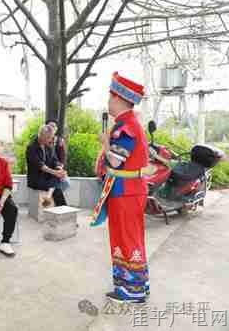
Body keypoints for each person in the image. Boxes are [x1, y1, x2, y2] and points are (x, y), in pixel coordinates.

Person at [91, 72, 150, 304]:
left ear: (119, 99)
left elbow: (115, 161)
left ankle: (130, 291)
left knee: (126, 238)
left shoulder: (127, 128)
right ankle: (137, 286)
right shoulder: (129, 125)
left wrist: (105, 144)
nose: (108, 103)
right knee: (130, 237)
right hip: (128, 190)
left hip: (126, 191)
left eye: (110, 98)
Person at [26, 125, 68, 206]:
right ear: (41, 135)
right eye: (48, 137)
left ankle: (50, 198)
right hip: (36, 179)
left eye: (51, 137)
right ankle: (62, 208)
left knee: (58, 179)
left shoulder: (48, 145)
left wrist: (59, 168)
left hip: (48, 177)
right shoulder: (31, 147)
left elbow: (55, 160)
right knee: (57, 188)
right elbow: (40, 166)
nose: (50, 140)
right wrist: (55, 173)